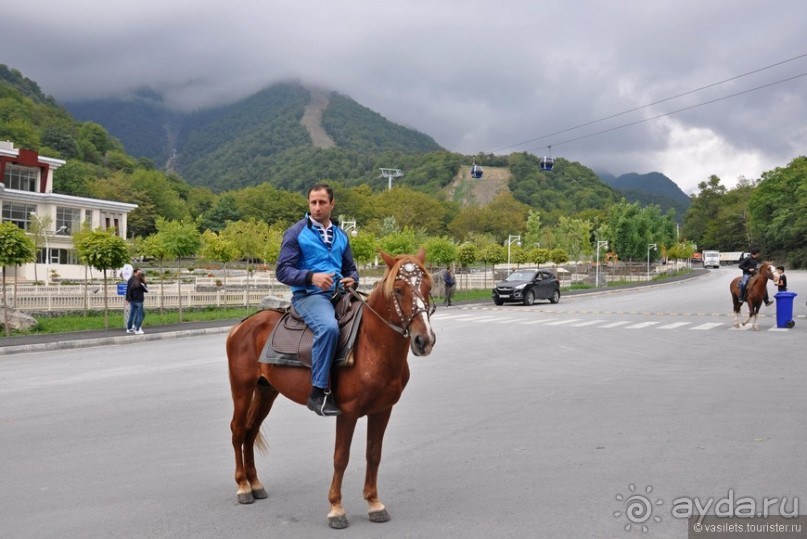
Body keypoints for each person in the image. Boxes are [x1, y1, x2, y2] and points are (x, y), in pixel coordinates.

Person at [276, 183, 359, 417]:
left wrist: (352, 280)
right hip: (309, 296)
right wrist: (311, 277)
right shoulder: (296, 232)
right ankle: (319, 392)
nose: (317, 207)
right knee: (329, 328)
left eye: (322, 202)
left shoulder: (341, 235)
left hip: (340, 294)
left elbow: (351, 269)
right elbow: (282, 271)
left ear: (332, 204)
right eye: (313, 202)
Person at [125, 268, 148, 334]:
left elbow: (128, 290)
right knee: (140, 314)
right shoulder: (139, 281)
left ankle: (129, 328)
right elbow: (145, 290)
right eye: (139, 272)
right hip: (139, 300)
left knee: (133, 314)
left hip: (132, 300)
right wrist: (145, 282)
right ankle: (137, 328)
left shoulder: (130, 280)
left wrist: (128, 299)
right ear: (135, 272)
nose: (140, 273)